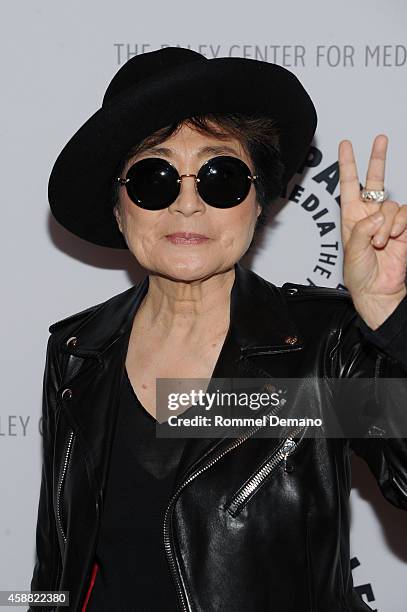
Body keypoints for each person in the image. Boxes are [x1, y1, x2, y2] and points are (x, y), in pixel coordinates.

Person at [29, 47, 407, 612]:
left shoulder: (318, 347)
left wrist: (392, 321)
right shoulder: (79, 351)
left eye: (220, 176)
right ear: (119, 207)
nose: (187, 205)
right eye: (154, 178)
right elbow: (56, 569)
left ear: (258, 203)